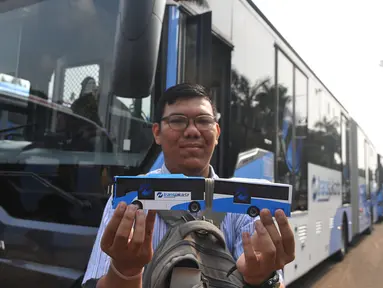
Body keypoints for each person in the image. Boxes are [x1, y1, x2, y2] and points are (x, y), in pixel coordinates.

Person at [81, 83, 295, 288]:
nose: (192, 131)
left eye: (203, 121)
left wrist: (263, 279)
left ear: (217, 132)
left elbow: (273, 282)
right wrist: (124, 272)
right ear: (157, 133)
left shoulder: (246, 204)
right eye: (177, 121)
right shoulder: (129, 200)